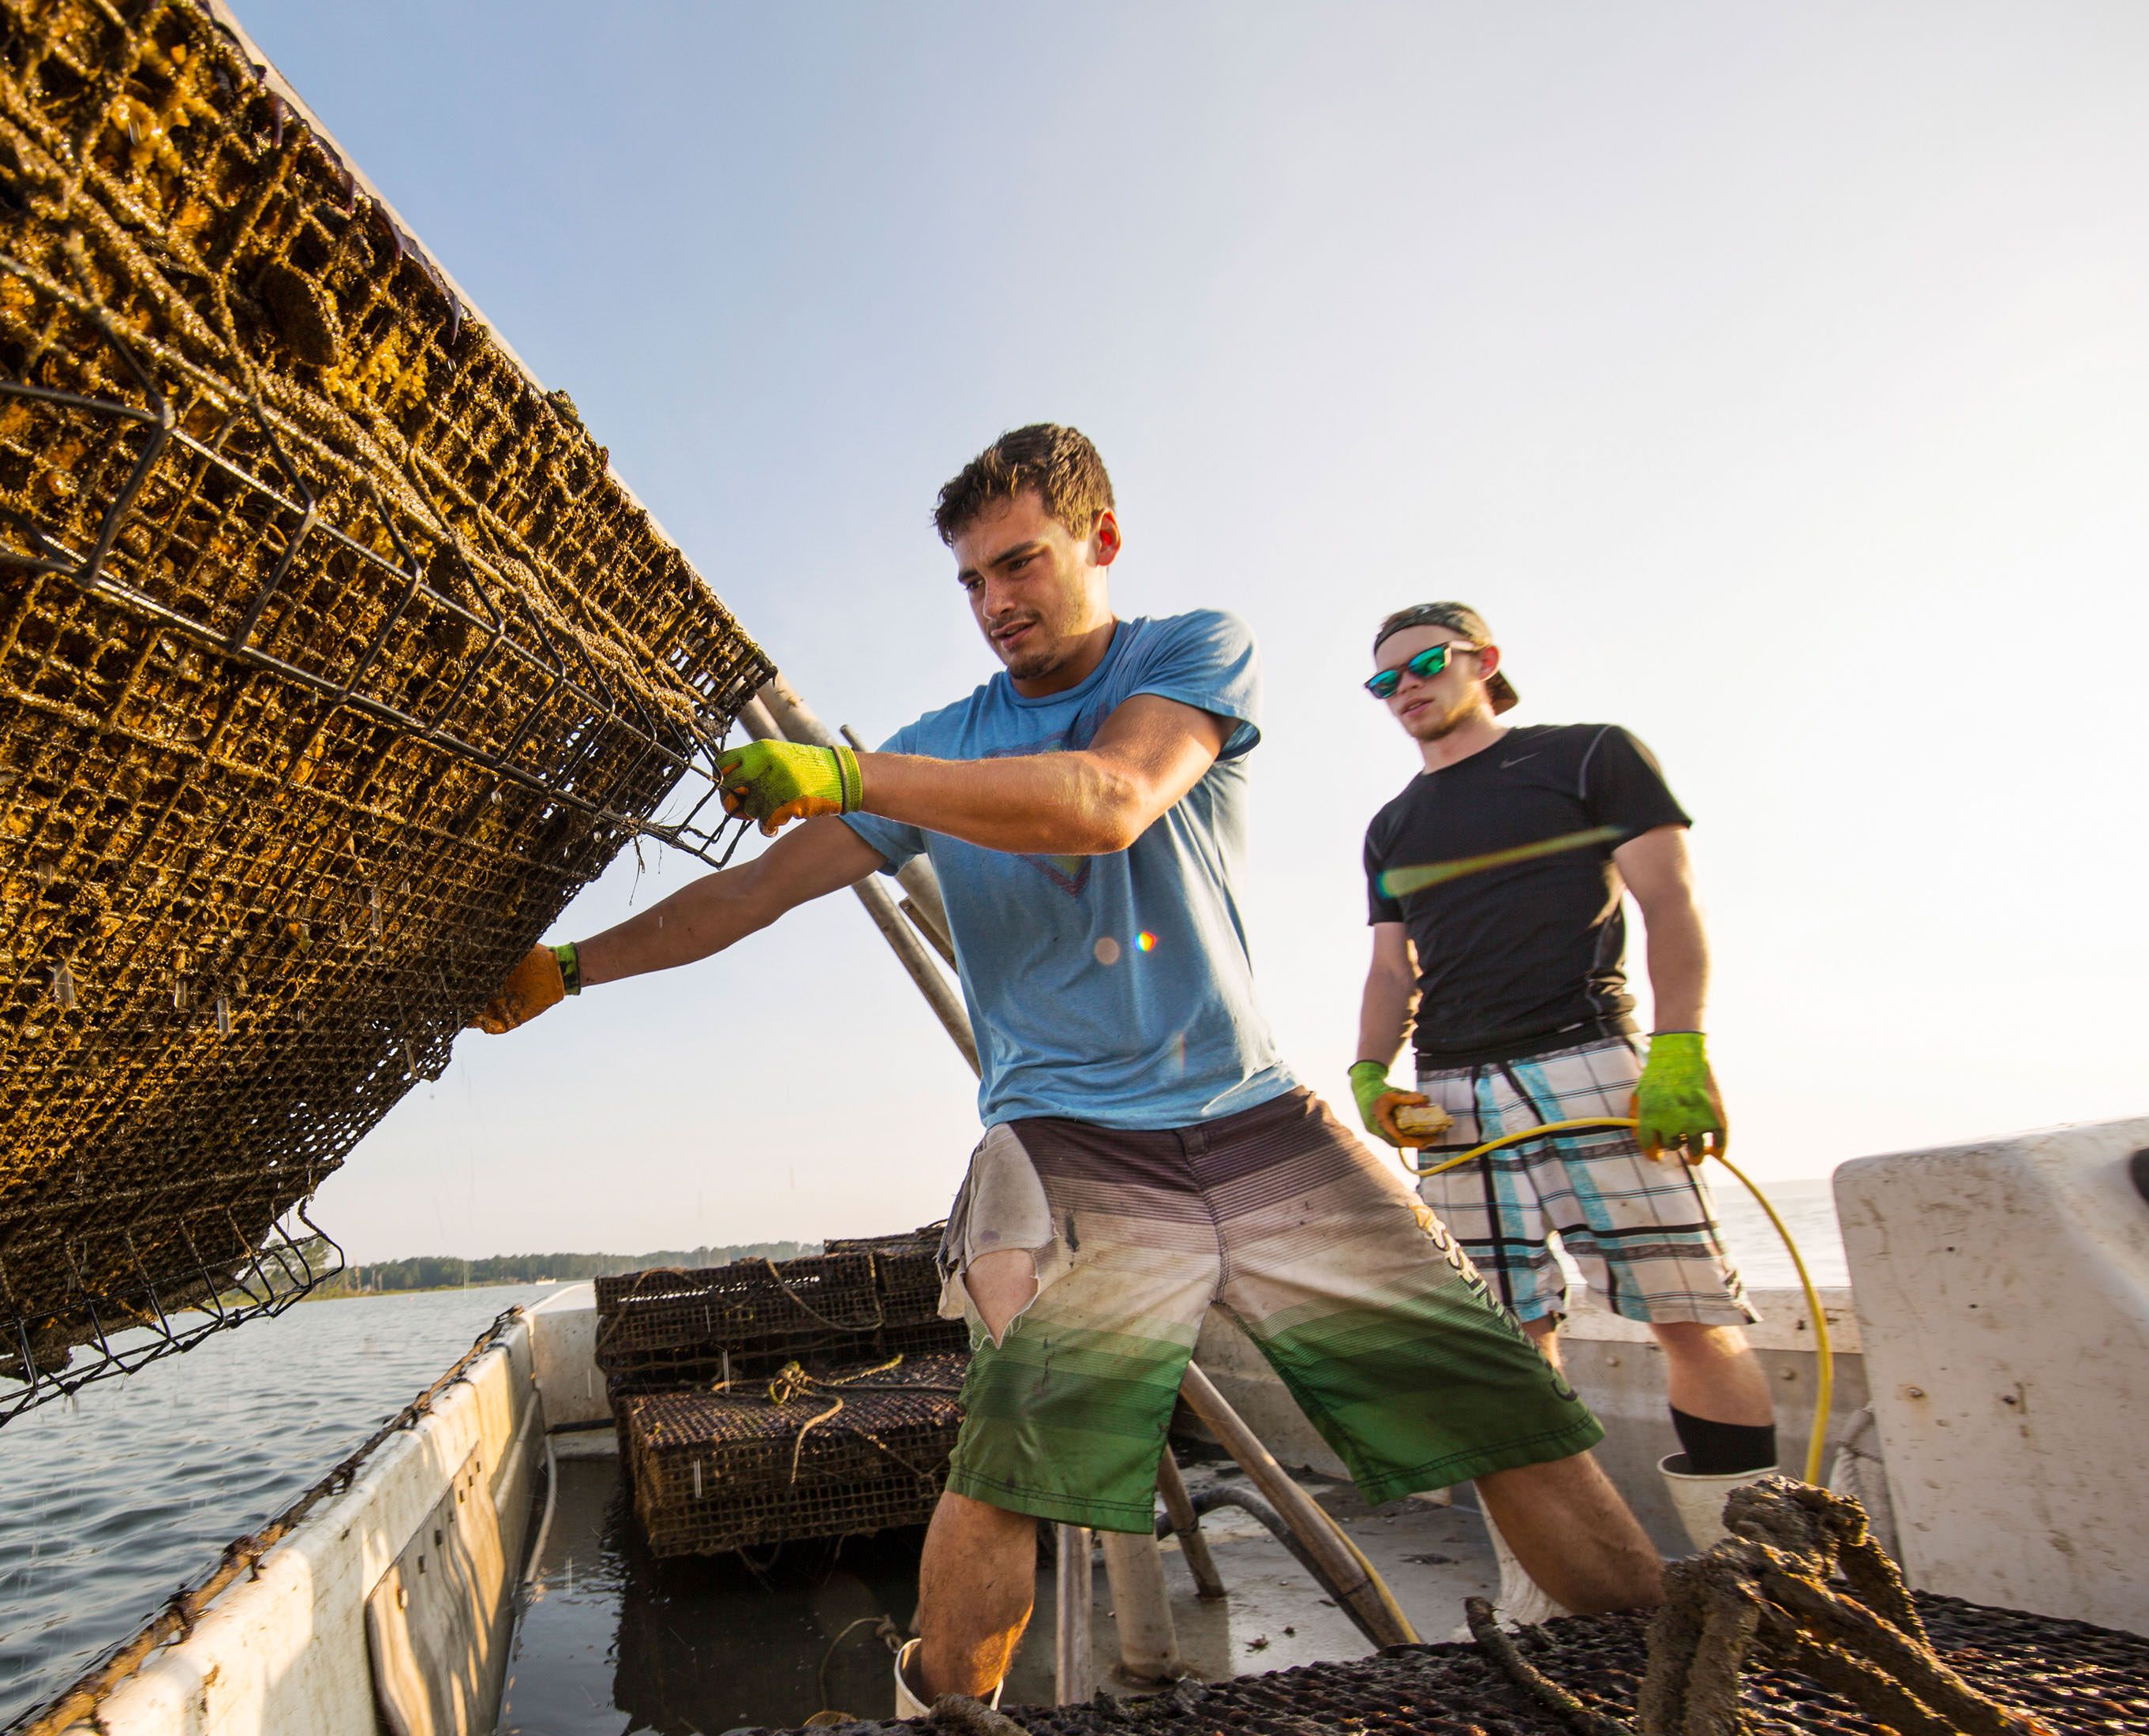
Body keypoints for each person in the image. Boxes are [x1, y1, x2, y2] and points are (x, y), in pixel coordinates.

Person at [477, 428, 1660, 1711]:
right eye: (974, 582)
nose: (997, 602)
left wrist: (850, 773)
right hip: (1066, 1144)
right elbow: (756, 893)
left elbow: (1109, 797)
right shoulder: (943, 744)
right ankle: (947, 1716)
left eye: (1021, 563)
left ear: (1100, 539)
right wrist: (570, 968)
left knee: (1503, 1410)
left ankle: (1665, 1680)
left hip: (1258, 1117)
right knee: (1012, 1472)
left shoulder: (1188, 653)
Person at [1346, 601, 1780, 1510]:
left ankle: (1759, 1571)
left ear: (1483, 660)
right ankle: (1556, 1591)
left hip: (1591, 1061)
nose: (1406, 688)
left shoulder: (1589, 755)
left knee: (1688, 1315)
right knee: (1508, 1338)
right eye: (1385, 680)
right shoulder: (1390, 826)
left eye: (1425, 663)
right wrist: (1369, 1073)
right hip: (1453, 1091)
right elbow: (1392, 970)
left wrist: (1680, 1052)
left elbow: (1671, 904)